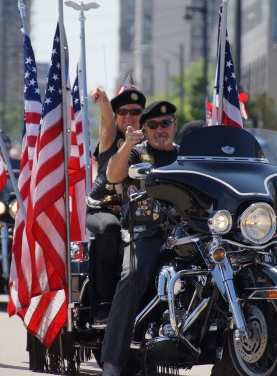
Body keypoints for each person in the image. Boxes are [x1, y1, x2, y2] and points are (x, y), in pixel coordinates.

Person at [101, 100, 179, 376]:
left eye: (166, 123)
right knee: (133, 274)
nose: (161, 129)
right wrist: (127, 145)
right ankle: (112, 362)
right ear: (144, 129)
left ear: (174, 125)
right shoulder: (135, 154)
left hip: (182, 233)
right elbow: (112, 174)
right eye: (153, 125)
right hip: (144, 230)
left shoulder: (185, 157)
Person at [85, 86, 146, 323]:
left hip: (138, 214)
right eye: (123, 112)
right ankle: (103, 304)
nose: (129, 117)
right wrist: (103, 100)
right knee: (109, 229)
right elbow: (107, 118)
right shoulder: (111, 136)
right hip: (103, 208)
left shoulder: (149, 135)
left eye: (135, 111)